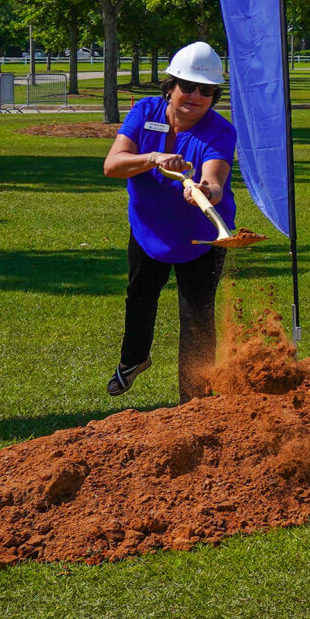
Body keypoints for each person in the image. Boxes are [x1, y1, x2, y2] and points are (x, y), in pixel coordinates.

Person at [100, 41, 237, 400]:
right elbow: (112, 165)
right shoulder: (146, 111)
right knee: (140, 295)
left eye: (206, 90)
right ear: (171, 86)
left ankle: (194, 400)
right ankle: (133, 360)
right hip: (149, 228)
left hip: (203, 236)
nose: (195, 96)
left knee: (197, 317)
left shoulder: (219, 130)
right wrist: (155, 157)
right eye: (188, 86)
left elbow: (215, 178)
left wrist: (204, 191)